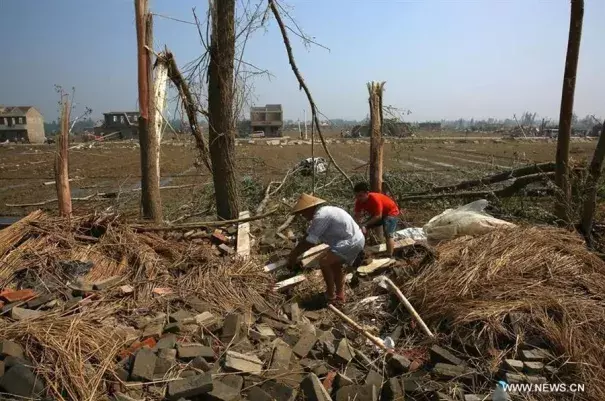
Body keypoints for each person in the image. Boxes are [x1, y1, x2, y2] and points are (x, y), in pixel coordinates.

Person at [286, 193, 365, 305]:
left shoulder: (321, 216)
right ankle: (340, 296)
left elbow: (310, 242)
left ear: (310, 209)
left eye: (303, 213)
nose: (303, 216)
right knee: (335, 265)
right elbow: (308, 236)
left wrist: (294, 256)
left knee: (324, 262)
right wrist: (295, 252)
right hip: (351, 240)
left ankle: (330, 295)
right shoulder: (323, 213)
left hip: (351, 241)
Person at [353, 182, 400, 256]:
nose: (358, 198)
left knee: (388, 234)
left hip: (391, 213)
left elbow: (378, 216)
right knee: (363, 229)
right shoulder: (358, 202)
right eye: (356, 196)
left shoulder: (374, 199)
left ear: (367, 193)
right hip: (379, 214)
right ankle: (362, 249)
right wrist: (360, 225)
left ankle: (389, 255)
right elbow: (357, 215)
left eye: (361, 196)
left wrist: (365, 224)